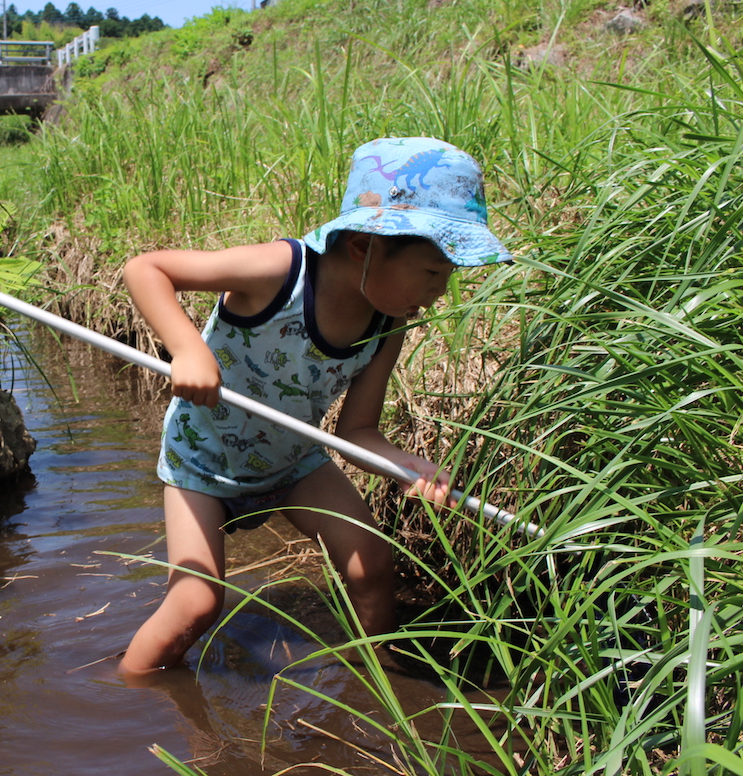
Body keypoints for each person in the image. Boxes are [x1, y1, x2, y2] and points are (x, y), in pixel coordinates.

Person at [118, 136, 513, 676]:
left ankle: (375, 671)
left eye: (446, 278)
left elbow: (357, 430)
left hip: (293, 460)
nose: (439, 293)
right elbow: (147, 270)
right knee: (197, 603)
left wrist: (406, 466)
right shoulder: (280, 271)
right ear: (365, 247)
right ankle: (130, 688)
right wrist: (188, 349)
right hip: (204, 460)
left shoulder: (387, 322)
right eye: (430, 273)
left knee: (372, 562)